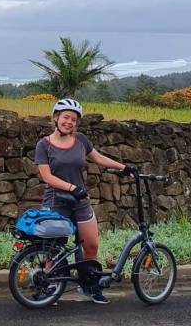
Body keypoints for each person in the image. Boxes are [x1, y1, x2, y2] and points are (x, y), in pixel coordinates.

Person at [34, 98, 134, 304]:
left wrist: (123, 167)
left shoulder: (80, 140)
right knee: (54, 248)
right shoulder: (44, 145)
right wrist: (72, 188)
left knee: (91, 244)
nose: (69, 122)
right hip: (56, 201)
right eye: (66, 117)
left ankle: (88, 284)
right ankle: (50, 286)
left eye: (73, 119)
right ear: (56, 118)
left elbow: (98, 158)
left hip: (80, 201)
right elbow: (47, 177)